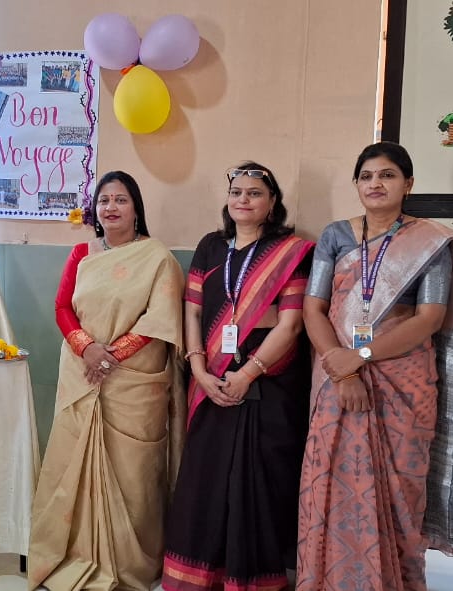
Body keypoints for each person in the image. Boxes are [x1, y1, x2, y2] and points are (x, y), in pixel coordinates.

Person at [297, 142, 453, 591]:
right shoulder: (336, 236)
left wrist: (360, 357)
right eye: (366, 176)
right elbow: (313, 308)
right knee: (327, 485)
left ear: (408, 184)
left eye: (387, 175)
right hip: (335, 377)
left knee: (400, 495)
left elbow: (429, 318)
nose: (375, 184)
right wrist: (343, 371)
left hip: (403, 382)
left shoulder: (429, 243)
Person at [29, 171, 185, 591]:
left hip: (134, 383)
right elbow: (62, 307)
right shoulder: (82, 253)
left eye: (120, 200)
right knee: (72, 468)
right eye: (103, 200)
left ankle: (132, 562)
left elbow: (160, 319)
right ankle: (75, 553)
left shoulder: (157, 257)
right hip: (82, 375)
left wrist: (112, 355)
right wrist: (87, 349)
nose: (111, 208)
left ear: (136, 208)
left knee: (134, 476)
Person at [161, 162, 314, 591]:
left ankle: (251, 580)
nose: (243, 200)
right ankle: (198, 576)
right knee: (204, 480)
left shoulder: (290, 250)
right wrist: (197, 368)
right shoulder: (211, 246)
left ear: (272, 202)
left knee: (256, 483)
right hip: (208, 380)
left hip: (268, 383)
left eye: (254, 193)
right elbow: (192, 312)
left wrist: (248, 374)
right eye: (236, 192)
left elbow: (291, 325)